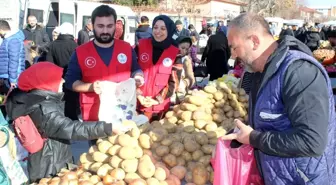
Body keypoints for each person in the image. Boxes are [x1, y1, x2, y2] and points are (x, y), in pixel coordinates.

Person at [223, 13, 336, 185]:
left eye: (234, 47)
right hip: (280, 176)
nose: (232, 55)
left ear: (254, 41)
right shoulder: (260, 72)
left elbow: (312, 141)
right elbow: (271, 121)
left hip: (304, 179)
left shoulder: (299, 72)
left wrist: (254, 138)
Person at [6, 62, 128, 183]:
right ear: (46, 83)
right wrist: (107, 128)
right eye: (58, 78)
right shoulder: (44, 109)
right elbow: (70, 128)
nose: (63, 81)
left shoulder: (40, 100)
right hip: (49, 167)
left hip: (53, 159)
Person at [65, 5, 144, 122]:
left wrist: (138, 76)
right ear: (92, 26)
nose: (105, 31)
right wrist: (90, 87)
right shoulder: (80, 52)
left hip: (122, 113)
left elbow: (135, 69)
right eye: (100, 26)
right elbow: (70, 82)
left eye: (109, 26)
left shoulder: (126, 48)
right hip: (93, 118)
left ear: (115, 26)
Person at [136, 15, 182, 120]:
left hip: (159, 109)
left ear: (169, 30)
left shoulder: (175, 53)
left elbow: (174, 83)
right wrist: (138, 94)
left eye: (163, 28)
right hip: (137, 105)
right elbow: (130, 71)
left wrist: (157, 100)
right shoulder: (140, 46)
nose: (158, 31)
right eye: (155, 27)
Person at [46, 22, 79, 120]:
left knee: (58, 101)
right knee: (72, 103)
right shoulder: (75, 46)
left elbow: (49, 63)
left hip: (57, 79)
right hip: (73, 79)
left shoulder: (52, 45)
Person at [0, 20, 25, 94]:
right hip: (7, 76)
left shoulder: (13, 40)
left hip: (11, 77)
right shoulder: (8, 39)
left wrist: (13, 80)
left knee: (10, 100)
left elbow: (14, 60)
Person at [172, 36, 195, 104]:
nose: (184, 51)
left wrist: (184, 83)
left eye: (186, 49)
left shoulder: (186, 60)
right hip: (167, 94)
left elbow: (191, 78)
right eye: (182, 48)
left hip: (180, 96)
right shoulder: (168, 58)